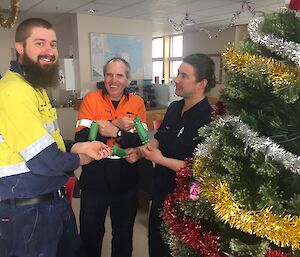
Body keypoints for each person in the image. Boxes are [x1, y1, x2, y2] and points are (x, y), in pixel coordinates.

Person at [0, 18, 112, 257]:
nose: (49, 51)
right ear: (19, 47)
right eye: (39, 43)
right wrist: (82, 158)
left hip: (52, 202)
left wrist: (79, 145)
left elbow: (52, 141)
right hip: (27, 212)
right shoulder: (14, 92)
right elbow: (44, 159)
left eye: (53, 44)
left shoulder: (35, 87)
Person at [126, 53, 216, 257]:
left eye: (184, 75)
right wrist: (140, 152)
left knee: (175, 250)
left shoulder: (209, 119)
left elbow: (198, 168)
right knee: (156, 245)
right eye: (178, 73)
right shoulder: (175, 107)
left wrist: (160, 160)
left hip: (184, 201)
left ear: (201, 83)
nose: (176, 79)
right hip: (160, 193)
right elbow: (159, 138)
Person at [75, 57, 147, 257]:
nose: (113, 80)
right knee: (91, 231)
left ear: (127, 79)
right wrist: (116, 123)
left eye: (119, 75)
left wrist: (112, 131)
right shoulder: (91, 99)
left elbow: (140, 141)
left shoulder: (137, 103)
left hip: (126, 173)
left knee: (123, 233)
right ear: (104, 77)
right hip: (95, 172)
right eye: (109, 74)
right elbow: (81, 137)